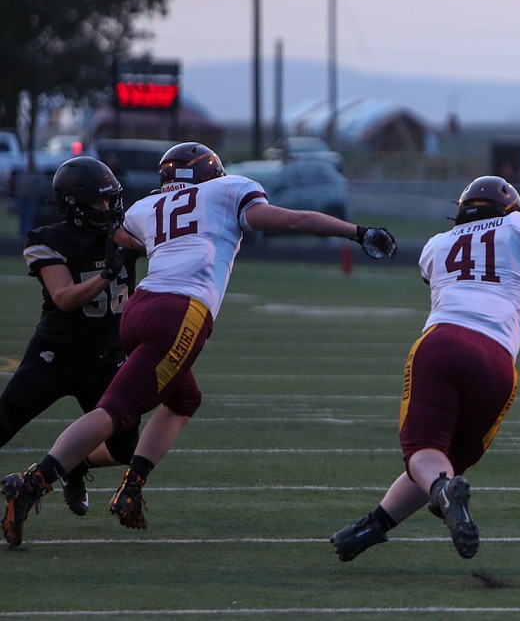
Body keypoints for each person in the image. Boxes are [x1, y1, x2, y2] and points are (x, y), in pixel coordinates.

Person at [2, 142, 397, 549]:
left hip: (138, 310)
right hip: (181, 312)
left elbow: (119, 237)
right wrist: (357, 232)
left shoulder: (145, 207)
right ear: (213, 173)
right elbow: (291, 220)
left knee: (184, 400)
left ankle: (132, 486)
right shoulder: (227, 191)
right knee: (116, 412)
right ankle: (33, 482)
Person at [329, 176, 520, 563]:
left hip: (442, 343)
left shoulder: (436, 245)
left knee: (426, 455)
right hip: (498, 362)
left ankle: (420, 505)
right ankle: (373, 526)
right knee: (445, 465)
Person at [0, 157, 140, 518]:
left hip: (107, 358)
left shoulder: (126, 233)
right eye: (98, 201)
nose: (107, 208)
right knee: (4, 420)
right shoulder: (48, 240)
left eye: (110, 200)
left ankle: (74, 465)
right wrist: (107, 274)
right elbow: (64, 298)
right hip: (55, 356)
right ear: (74, 204)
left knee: (125, 447)